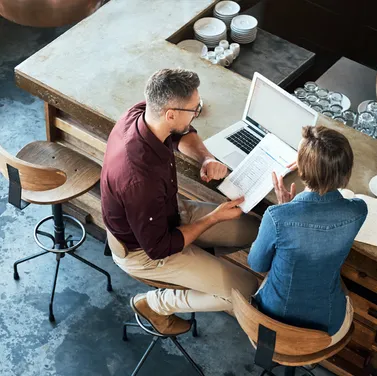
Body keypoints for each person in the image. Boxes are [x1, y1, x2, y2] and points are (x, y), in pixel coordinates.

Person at [101, 68, 259, 335]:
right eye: (193, 109)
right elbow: (160, 248)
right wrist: (213, 219)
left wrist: (206, 158)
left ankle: (199, 259)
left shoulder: (142, 113)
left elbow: (181, 133)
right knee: (246, 289)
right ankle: (154, 304)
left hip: (169, 212)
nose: (197, 113)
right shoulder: (140, 179)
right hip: (145, 251)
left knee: (254, 229)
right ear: (170, 113)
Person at [248, 125, 367, 341]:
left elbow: (257, 265)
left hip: (271, 325)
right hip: (324, 330)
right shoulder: (358, 211)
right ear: (346, 173)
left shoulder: (276, 217)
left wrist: (286, 209)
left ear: (301, 169)